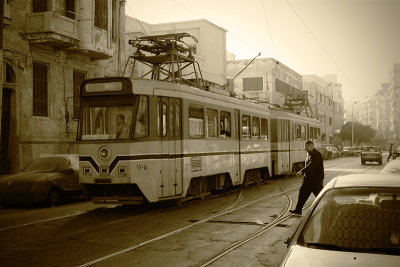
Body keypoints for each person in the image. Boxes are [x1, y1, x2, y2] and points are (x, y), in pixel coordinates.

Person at [289, 140, 325, 215]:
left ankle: (328, 208)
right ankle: (298, 210)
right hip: (308, 179)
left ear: (313, 146)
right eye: (306, 146)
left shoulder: (317, 154)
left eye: (309, 146)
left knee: (320, 196)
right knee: (302, 194)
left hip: (316, 180)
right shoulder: (309, 155)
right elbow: (309, 167)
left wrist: (302, 171)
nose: (307, 148)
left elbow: (312, 166)